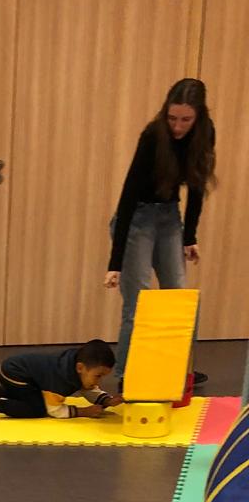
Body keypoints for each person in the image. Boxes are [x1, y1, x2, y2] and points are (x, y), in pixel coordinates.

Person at [106, 78, 216, 383]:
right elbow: (128, 195)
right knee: (138, 302)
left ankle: (180, 372)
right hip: (137, 218)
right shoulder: (153, 135)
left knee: (178, 297)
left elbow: (196, 187)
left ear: (199, 117)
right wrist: (115, 262)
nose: (177, 127)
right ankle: (127, 375)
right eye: (172, 118)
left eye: (185, 120)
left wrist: (189, 236)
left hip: (169, 218)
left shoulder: (205, 133)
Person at [0, 341, 121, 419]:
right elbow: (54, 410)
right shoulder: (61, 380)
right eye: (98, 376)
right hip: (14, 374)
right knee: (37, 409)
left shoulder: (78, 367)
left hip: (20, 372)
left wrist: (107, 400)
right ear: (80, 368)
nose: (99, 382)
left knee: (34, 396)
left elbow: (88, 388)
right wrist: (83, 412)